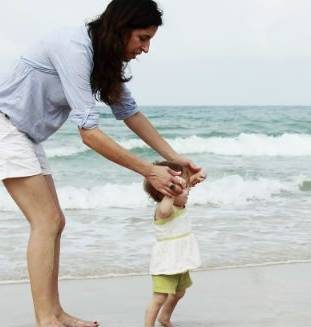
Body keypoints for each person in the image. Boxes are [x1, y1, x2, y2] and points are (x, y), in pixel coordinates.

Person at [0, 1, 204, 326]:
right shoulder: (74, 48)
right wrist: (149, 170)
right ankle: (45, 319)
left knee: (55, 222)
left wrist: (176, 158)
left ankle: (55, 313)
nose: (145, 48)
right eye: (142, 38)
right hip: (6, 127)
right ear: (120, 29)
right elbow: (89, 135)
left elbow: (130, 113)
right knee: (47, 222)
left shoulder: (103, 58)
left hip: (25, 135)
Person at [143, 161, 202, 327]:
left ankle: (165, 317)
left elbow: (186, 188)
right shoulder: (164, 209)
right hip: (166, 261)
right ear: (167, 191)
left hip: (181, 259)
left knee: (179, 292)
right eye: (181, 187)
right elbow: (164, 210)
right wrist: (171, 192)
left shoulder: (180, 203)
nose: (187, 191)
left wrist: (193, 178)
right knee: (160, 296)